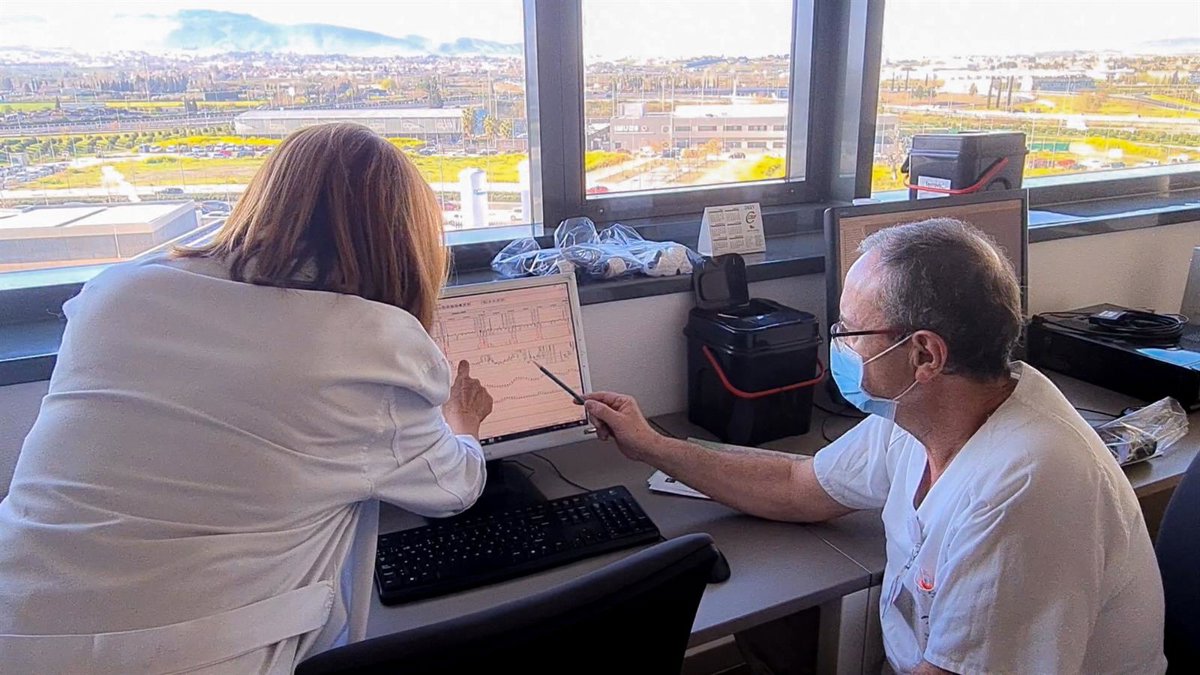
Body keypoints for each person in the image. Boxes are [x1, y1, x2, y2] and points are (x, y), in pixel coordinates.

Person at [0, 123, 494, 673]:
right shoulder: (373, 345)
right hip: (184, 658)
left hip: (14, 620)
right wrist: (463, 422)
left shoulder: (116, 292)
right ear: (402, 238)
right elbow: (452, 488)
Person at [585, 219, 1167, 675]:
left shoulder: (1025, 488)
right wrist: (654, 446)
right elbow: (798, 485)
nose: (837, 343)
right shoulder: (919, 409)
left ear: (924, 354)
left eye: (848, 330)